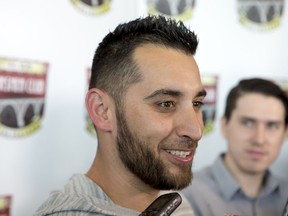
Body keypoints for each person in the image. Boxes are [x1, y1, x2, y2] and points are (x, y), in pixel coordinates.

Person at [34, 15, 207, 216]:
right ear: (102, 110)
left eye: (196, 103)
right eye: (166, 104)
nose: (195, 131)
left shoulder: (177, 205)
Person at [181, 78, 288, 216]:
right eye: (248, 122)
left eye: (272, 126)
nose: (259, 139)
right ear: (225, 126)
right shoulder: (185, 197)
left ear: (284, 132)